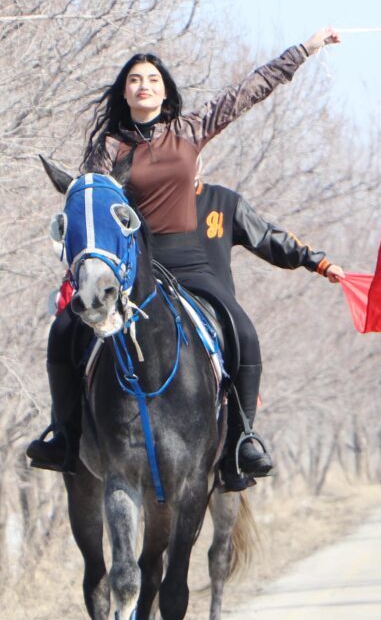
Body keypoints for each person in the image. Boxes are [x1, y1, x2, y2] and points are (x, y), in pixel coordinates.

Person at [27, 28, 341, 490]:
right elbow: (94, 207)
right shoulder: (107, 149)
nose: (144, 85)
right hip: (134, 266)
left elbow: (250, 89)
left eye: (152, 79)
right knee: (64, 330)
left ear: (165, 91)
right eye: (135, 79)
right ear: (124, 92)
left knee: (243, 331)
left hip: (189, 263)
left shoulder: (189, 130)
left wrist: (304, 50)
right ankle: (65, 434)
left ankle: (241, 440)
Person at [154, 178, 345, 489]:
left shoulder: (224, 202)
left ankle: (241, 440)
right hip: (154, 303)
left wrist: (317, 262)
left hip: (213, 305)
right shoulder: (146, 198)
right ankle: (77, 435)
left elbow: (266, 237)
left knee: (245, 337)